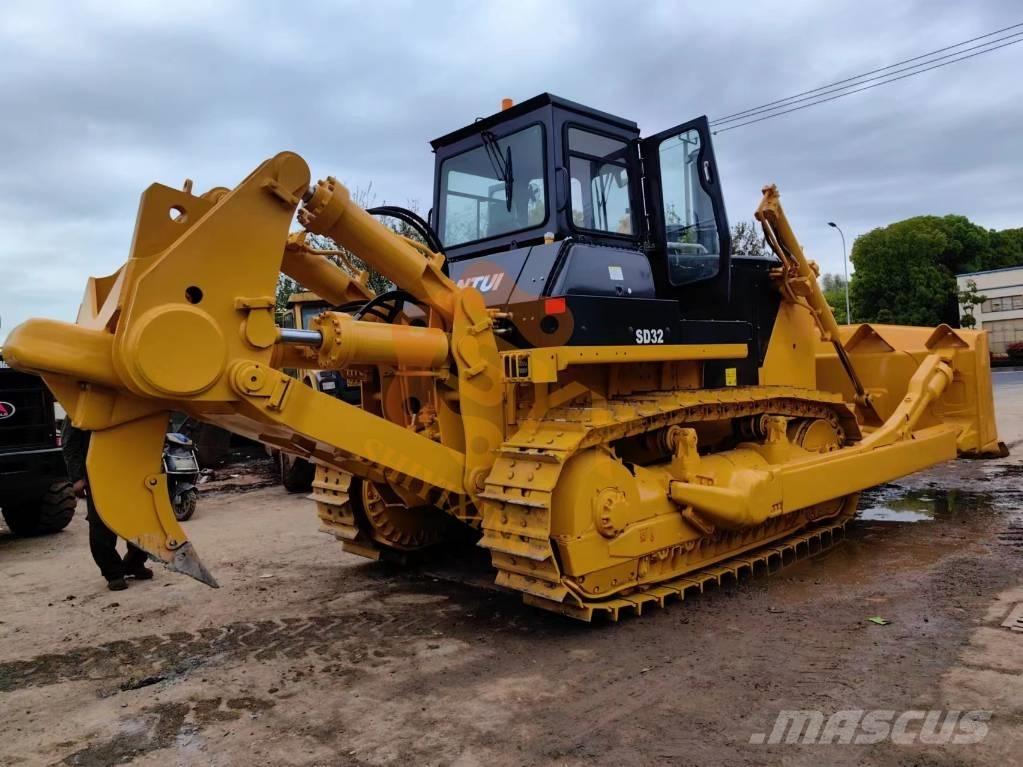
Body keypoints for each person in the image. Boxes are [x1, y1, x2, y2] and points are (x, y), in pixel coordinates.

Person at [61, 422, 153, 591]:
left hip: (131, 470)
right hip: (97, 473)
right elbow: (70, 443)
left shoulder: (130, 399)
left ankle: (135, 563)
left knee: (140, 519)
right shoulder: (83, 404)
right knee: (101, 524)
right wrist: (77, 477)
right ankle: (113, 573)